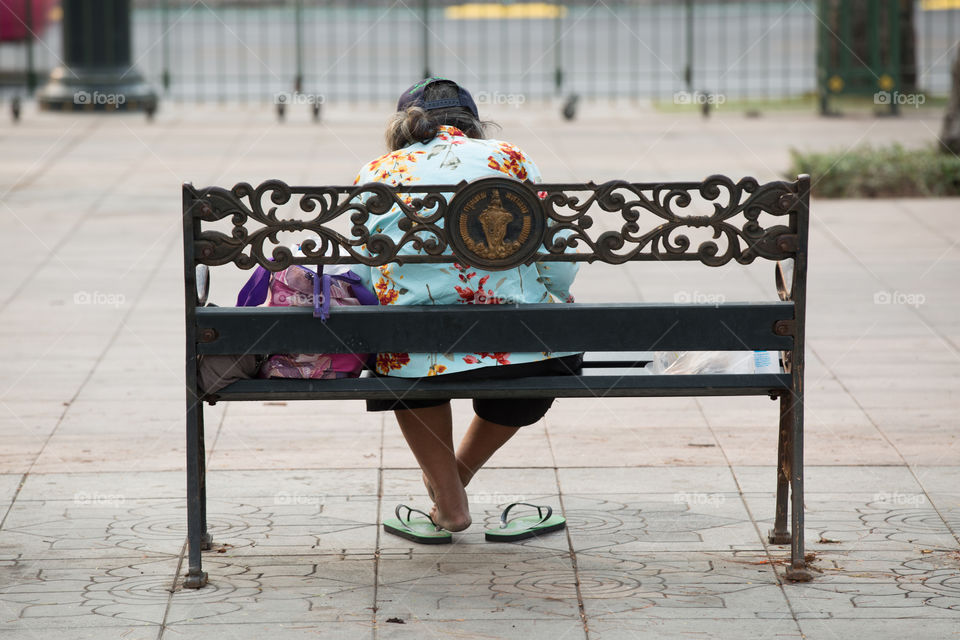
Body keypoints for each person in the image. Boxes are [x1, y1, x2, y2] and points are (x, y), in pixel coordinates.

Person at [352, 78, 581, 536]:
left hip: (413, 354)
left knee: (401, 346)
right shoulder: (511, 159)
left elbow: (363, 276)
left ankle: (450, 499)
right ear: (473, 125)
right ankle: (454, 483)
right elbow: (558, 262)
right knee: (550, 341)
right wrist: (556, 293)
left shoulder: (377, 171)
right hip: (522, 351)